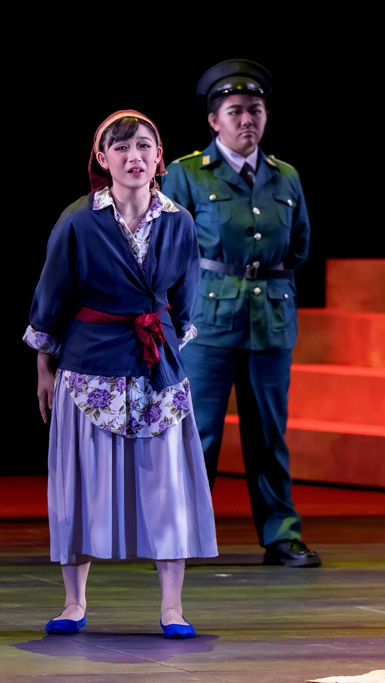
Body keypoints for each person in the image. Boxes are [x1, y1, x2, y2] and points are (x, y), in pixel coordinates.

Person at [25, 111, 217, 638]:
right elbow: (52, 294)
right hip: (89, 364)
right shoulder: (78, 220)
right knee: (80, 485)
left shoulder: (178, 220)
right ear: (102, 158)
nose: (135, 157)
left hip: (156, 366)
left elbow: (186, 299)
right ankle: (74, 602)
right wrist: (44, 366)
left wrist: (166, 345)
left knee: (167, 487)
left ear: (159, 157)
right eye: (122, 148)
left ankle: (172, 607)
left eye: (144, 146)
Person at [162, 60, 318, 568]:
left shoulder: (285, 176)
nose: (247, 119)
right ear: (214, 120)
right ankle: (180, 535)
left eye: (255, 109)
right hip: (206, 321)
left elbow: (299, 248)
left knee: (269, 434)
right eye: (235, 111)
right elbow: (167, 249)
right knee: (198, 433)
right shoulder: (186, 174)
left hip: (270, 320)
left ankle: (282, 536)